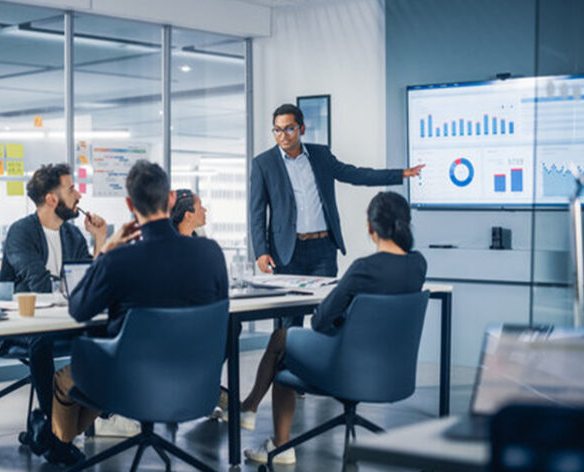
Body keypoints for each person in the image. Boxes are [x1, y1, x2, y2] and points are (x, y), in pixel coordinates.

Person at [47, 160, 229, 466]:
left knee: (64, 378)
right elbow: (219, 316)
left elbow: (78, 308)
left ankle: (60, 445)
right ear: (170, 198)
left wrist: (105, 250)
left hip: (128, 385)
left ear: (130, 204)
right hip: (196, 383)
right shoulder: (211, 253)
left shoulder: (120, 260)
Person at [242, 191, 427, 465]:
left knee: (281, 343)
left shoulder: (364, 268)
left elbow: (319, 321)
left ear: (370, 227)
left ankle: (273, 438)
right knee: (286, 346)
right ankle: (253, 413)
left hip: (346, 367)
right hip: (392, 372)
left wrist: (340, 318)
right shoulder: (418, 265)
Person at [0, 163, 126, 457]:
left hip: (64, 320)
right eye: (71, 189)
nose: (79, 195)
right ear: (52, 199)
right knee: (41, 341)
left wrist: (99, 240)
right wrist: (71, 288)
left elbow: (90, 285)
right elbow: (37, 283)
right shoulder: (21, 232)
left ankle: (71, 423)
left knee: (108, 331)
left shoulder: (73, 235)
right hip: (23, 326)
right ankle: (54, 435)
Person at [250, 104, 424, 327]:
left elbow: (355, 174)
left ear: (302, 129)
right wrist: (261, 252)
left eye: (289, 128)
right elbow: (256, 211)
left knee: (328, 314)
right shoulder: (263, 163)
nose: (282, 135)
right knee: (288, 322)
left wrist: (400, 174)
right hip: (287, 252)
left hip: (323, 249)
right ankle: (285, 362)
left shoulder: (320, 155)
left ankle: (322, 359)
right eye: (277, 130)